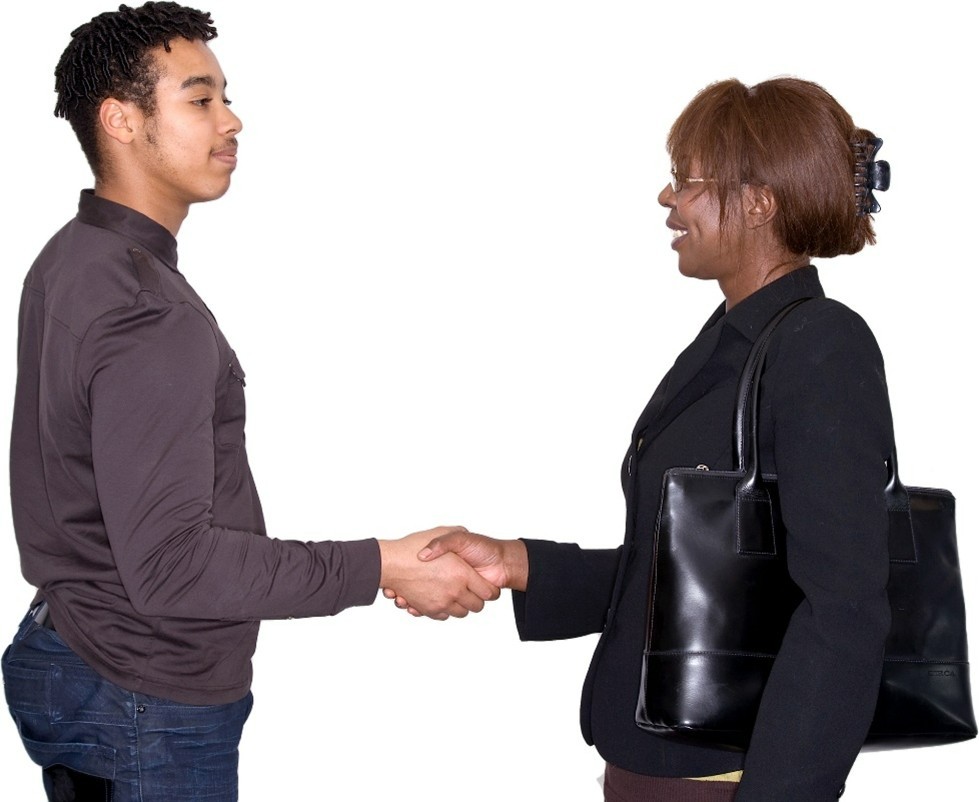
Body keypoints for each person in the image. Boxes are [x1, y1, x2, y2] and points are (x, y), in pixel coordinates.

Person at [2, 4, 498, 800]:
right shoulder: (142, 307)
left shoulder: (72, 258)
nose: (231, 120)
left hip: (86, 654)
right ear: (120, 121)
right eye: (199, 100)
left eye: (223, 96)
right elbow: (173, 568)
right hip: (144, 697)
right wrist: (380, 565)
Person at [392, 77, 895, 801]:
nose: (668, 200)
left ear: (757, 203)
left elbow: (843, 607)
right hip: (663, 768)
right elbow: (706, 578)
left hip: (724, 778)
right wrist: (519, 564)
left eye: (685, 180)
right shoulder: (739, 341)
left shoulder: (819, 345)